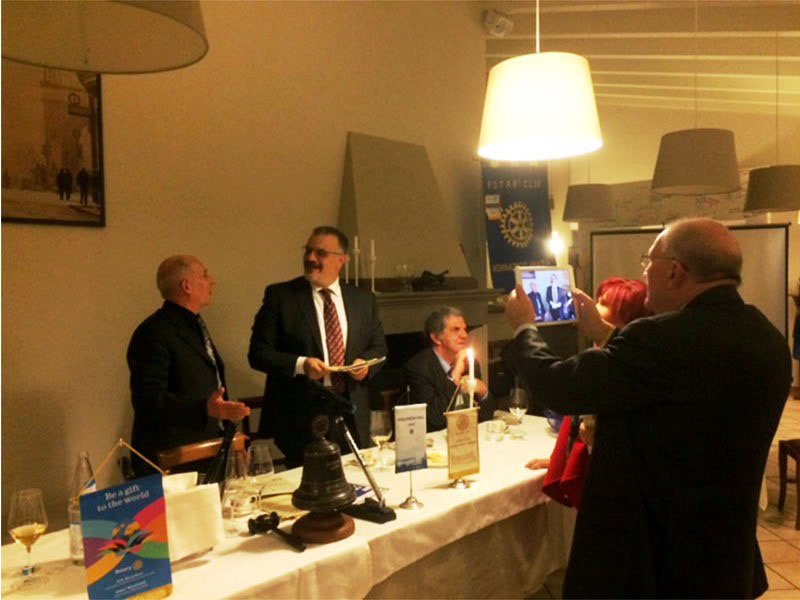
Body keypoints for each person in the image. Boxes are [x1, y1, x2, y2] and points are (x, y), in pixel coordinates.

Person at [504, 218, 791, 598]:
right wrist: (605, 333)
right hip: (724, 552)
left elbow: (559, 386)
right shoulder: (767, 337)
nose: (644, 272)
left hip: (654, 558)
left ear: (674, 271)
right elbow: (678, 384)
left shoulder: (661, 338)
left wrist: (524, 329)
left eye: (648, 261)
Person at [248, 226, 387, 468]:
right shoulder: (281, 296)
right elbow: (258, 354)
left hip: (351, 411)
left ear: (341, 260)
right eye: (308, 251)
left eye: (320, 253)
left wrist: (365, 364)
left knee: (356, 480)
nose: (311, 258)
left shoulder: (363, 300)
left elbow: (379, 348)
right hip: (300, 415)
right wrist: (302, 365)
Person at [526, 277, 652, 508]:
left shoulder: (624, 365)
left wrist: (524, 329)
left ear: (626, 316)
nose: (593, 307)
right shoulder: (600, 350)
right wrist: (561, 459)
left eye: (603, 302)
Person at [127, 255, 250, 477]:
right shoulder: (154, 332)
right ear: (187, 286)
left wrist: (229, 436)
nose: (212, 281)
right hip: (174, 461)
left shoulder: (193, 325)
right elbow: (147, 399)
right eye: (205, 275)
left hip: (206, 452)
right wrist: (204, 408)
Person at [403, 306, 495, 432]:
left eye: (464, 329)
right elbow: (435, 419)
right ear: (436, 338)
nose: (464, 335)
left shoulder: (470, 363)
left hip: (466, 435)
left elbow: (487, 418)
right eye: (456, 329)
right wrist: (455, 375)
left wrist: (483, 393)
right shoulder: (418, 368)